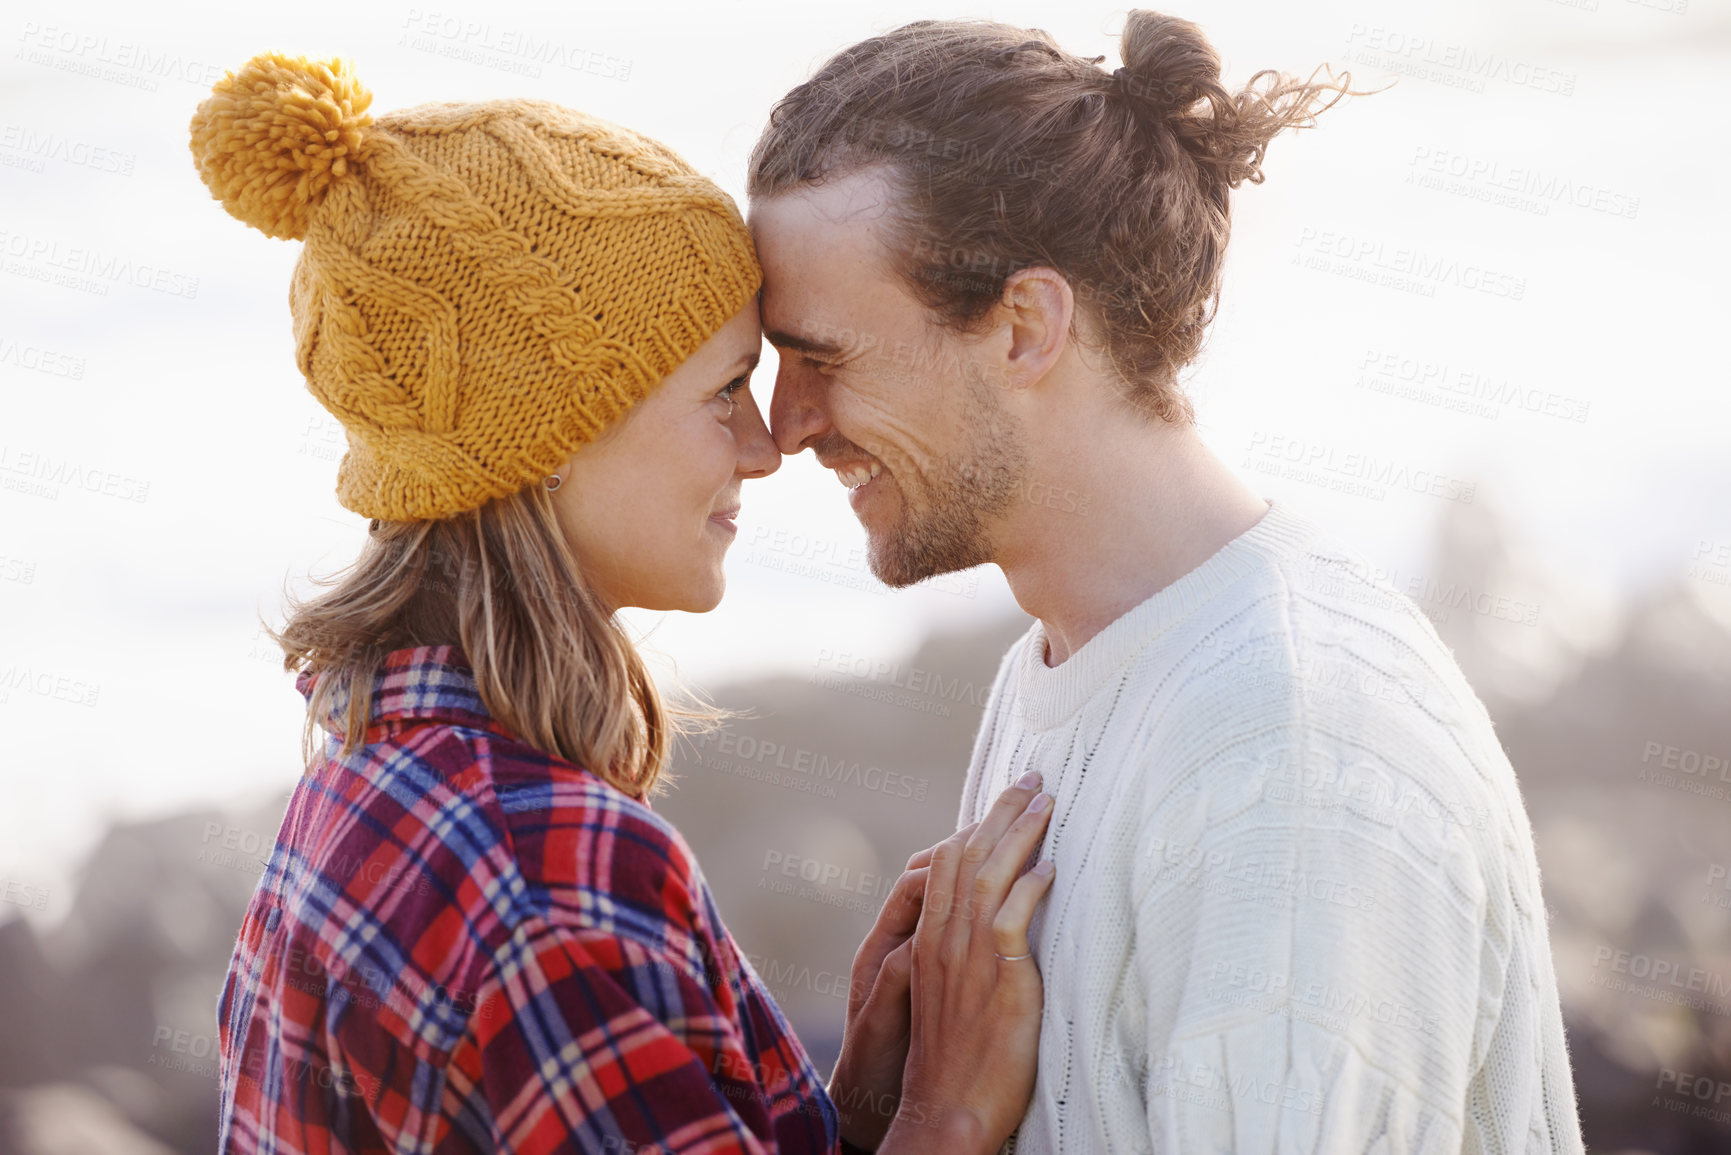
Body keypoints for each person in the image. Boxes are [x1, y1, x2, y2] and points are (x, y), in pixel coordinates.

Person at [746, 11, 1585, 1154]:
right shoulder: (1069, 660)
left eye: (823, 358)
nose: (785, 426)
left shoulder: (1285, 750)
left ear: (1025, 327)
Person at [188, 51, 1057, 1155]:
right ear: (549, 441)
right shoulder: (540, 868)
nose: (765, 446)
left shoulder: (361, 784)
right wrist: (953, 1111)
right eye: (722, 392)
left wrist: (860, 1109)